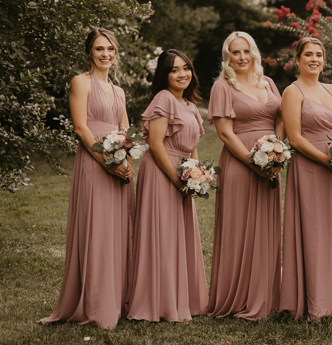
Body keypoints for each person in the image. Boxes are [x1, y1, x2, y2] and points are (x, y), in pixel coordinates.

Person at [41, 29, 134, 329]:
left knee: (119, 231)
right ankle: (96, 305)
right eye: (99, 49)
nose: (105, 54)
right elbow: (81, 129)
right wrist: (107, 162)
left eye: (110, 49)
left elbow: (126, 132)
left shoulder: (119, 91)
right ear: (89, 53)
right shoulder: (80, 82)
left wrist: (126, 162)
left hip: (118, 165)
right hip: (94, 163)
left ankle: (118, 299)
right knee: (97, 228)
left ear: (116, 53)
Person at [279, 37, 332, 320]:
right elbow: (295, 137)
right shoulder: (293, 92)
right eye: (309, 55)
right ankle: (318, 301)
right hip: (311, 167)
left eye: (319, 55)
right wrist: (327, 160)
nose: (314, 59)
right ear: (298, 60)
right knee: (315, 233)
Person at [205, 32, 284, 320]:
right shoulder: (222, 87)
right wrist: (254, 163)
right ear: (227, 56)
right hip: (240, 164)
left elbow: (280, 119)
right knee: (239, 228)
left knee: (266, 227)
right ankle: (236, 297)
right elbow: (225, 132)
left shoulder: (269, 83)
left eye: (246, 51)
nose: (241, 57)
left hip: (271, 162)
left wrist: (278, 152)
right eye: (235, 52)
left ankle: (265, 295)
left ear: (254, 53)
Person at [127, 49, 208, 322]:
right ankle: (157, 302)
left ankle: (183, 298)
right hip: (163, 171)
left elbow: (193, 146)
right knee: (161, 234)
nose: (182, 74)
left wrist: (196, 177)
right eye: (174, 70)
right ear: (165, 75)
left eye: (185, 68)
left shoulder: (190, 106)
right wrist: (177, 179)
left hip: (184, 173)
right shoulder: (163, 99)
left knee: (181, 234)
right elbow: (155, 143)